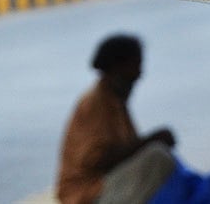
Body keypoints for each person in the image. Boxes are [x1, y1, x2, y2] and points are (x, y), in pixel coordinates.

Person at [58, 34, 178, 204]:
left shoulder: (114, 100)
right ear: (118, 66)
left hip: (102, 187)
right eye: (135, 65)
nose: (139, 73)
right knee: (157, 157)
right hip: (86, 195)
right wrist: (150, 141)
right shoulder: (95, 103)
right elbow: (98, 161)